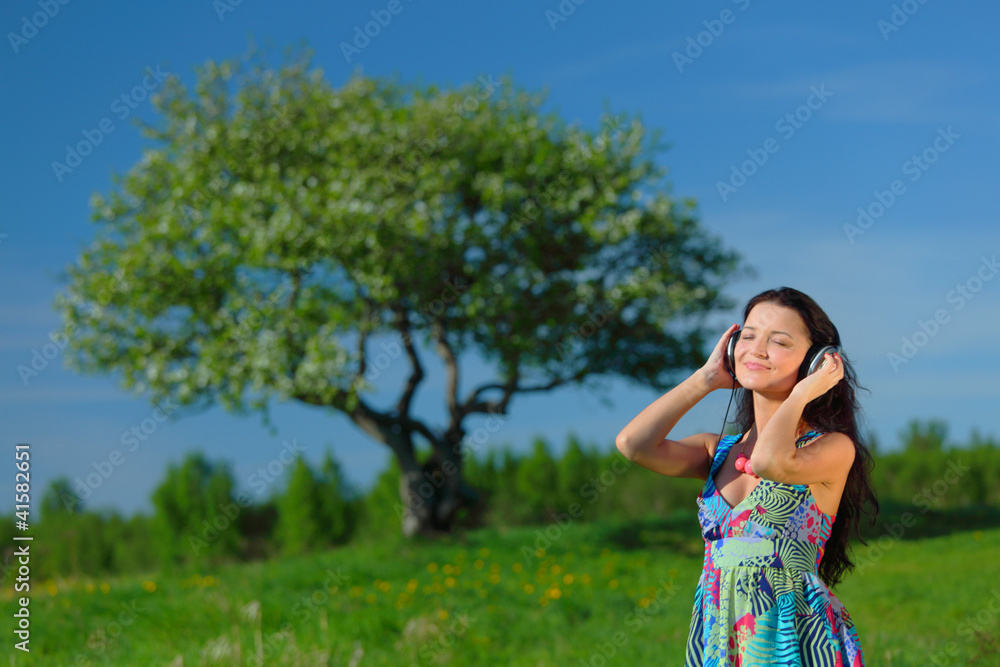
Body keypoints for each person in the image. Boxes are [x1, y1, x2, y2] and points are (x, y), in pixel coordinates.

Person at [616, 287, 878, 666]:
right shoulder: (715, 451)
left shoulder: (831, 449)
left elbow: (772, 461)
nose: (756, 349)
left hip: (792, 636)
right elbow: (633, 444)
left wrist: (802, 395)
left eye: (779, 342)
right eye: (749, 335)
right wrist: (705, 379)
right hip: (720, 633)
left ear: (815, 362)